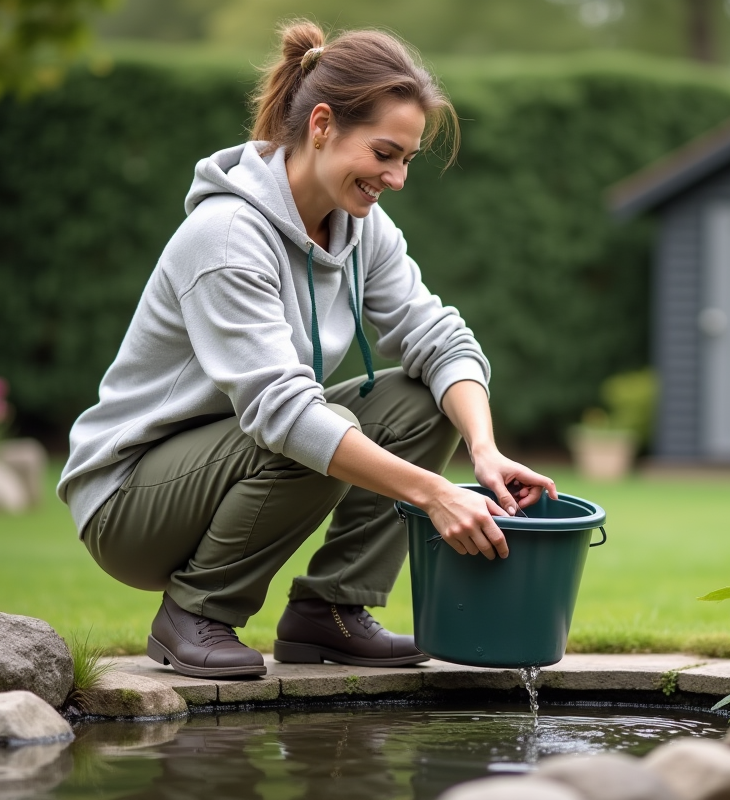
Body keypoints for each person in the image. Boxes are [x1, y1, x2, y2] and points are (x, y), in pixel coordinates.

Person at [57, 20, 556, 679]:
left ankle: (332, 613)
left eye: (406, 159)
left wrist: (482, 448)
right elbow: (282, 411)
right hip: (128, 501)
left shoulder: (362, 229)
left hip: (224, 457)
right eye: (385, 153)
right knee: (317, 430)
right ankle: (196, 614)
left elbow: (439, 337)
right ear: (322, 124)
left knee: (424, 401)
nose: (398, 177)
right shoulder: (228, 236)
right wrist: (435, 494)